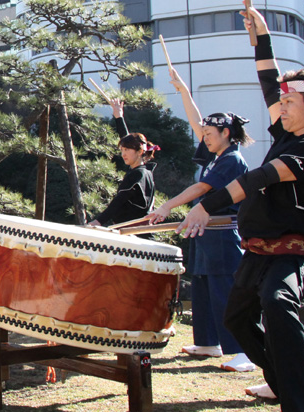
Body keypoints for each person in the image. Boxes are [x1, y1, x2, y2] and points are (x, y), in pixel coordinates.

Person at [178, 7, 304, 412]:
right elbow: (270, 83)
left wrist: (203, 206)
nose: (280, 106)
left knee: (277, 303)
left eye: (291, 103)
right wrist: (262, 40)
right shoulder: (289, 135)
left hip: (293, 253)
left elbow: (258, 180)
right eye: (282, 103)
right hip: (258, 251)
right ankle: (279, 378)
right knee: (237, 316)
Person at [144, 67, 256, 373]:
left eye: (209, 134)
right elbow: (197, 123)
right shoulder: (217, 155)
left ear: (226, 134)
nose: (203, 137)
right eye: (204, 134)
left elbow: (202, 189)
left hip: (223, 233)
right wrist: (183, 91)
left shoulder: (232, 159)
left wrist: (167, 206)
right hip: (204, 232)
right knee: (205, 289)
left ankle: (244, 351)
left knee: (224, 293)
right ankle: (208, 342)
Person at [87, 97, 158, 227]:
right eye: (122, 150)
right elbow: (127, 139)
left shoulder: (138, 175)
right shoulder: (143, 171)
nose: (123, 154)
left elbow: (119, 201)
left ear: (140, 151)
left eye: (127, 150)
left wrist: (98, 222)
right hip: (134, 229)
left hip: (133, 231)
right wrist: (119, 117)